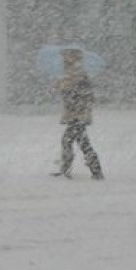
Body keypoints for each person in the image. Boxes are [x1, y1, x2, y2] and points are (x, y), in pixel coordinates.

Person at [52, 48, 104, 180]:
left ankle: (69, 170)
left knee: (69, 141)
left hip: (78, 115)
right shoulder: (70, 75)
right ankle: (95, 170)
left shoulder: (78, 75)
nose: (63, 60)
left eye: (66, 58)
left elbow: (82, 96)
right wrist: (62, 88)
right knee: (80, 142)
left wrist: (66, 91)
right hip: (76, 115)